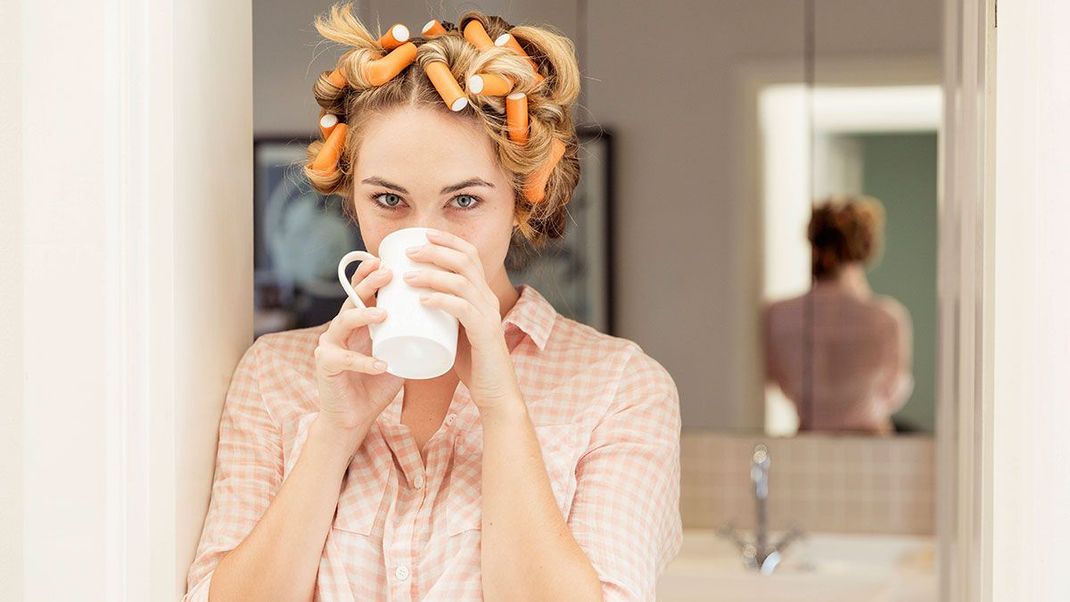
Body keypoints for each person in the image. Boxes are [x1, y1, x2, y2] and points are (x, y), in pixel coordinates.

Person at [183, 4, 682, 601]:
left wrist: (502, 408)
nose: (427, 237)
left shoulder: (621, 388)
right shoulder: (276, 374)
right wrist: (333, 434)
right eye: (389, 199)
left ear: (523, 202)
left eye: (464, 201)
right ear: (352, 198)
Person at [763, 195, 914, 435]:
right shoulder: (886, 319)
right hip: (872, 442)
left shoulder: (777, 315)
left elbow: (775, 376)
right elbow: (893, 390)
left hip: (807, 439)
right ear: (867, 247)